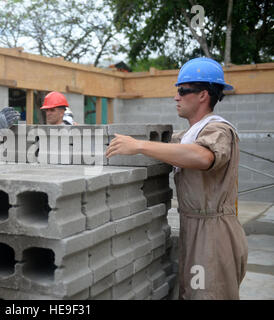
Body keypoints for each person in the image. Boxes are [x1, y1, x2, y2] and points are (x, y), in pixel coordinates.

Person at [106, 57, 248, 300]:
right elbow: (172, 147)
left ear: (203, 95)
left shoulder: (219, 130)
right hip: (194, 227)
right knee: (193, 292)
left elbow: (203, 157)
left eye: (183, 91)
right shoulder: (191, 133)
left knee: (206, 294)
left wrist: (139, 145)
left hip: (212, 233)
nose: (176, 97)